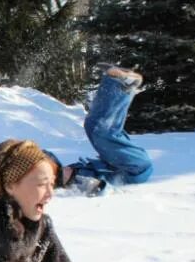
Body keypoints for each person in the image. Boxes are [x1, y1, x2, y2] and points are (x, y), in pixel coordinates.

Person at [47, 64, 153, 196]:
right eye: (60, 173)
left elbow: (45, 158)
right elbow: (101, 189)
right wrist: (95, 187)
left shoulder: (72, 171)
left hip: (125, 162)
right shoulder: (78, 182)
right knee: (100, 131)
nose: (65, 168)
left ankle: (121, 85)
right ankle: (118, 84)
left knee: (94, 125)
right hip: (134, 169)